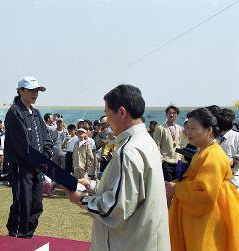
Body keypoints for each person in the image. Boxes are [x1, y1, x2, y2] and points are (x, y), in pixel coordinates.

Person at [63, 84, 170, 251]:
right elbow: (131, 189)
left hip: (129, 242)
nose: (105, 120)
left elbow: (117, 208)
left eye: (107, 113)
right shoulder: (146, 142)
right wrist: (92, 185)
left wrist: (80, 199)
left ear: (121, 112)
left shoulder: (129, 150)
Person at [166, 107, 239, 251]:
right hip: (201, 216)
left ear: (208, 130)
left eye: (193, 128)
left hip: (209, 217)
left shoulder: (213, 155)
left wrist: (173, 188)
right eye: (187, 128)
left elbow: (204, 194)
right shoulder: (203, 152)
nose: (188, 132)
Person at [4, 76, 53, 238]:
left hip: (38, 167)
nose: (35, 94)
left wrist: (45, 158)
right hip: (22, 167)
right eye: (31, 90)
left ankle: (28, 235)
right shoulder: (15, 112)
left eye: (37, 90)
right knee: (22, 204)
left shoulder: (37, 113)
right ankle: (16, 237)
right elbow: (22, 145)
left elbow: (46, 138)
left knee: (36, 204)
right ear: (20, 91)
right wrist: (38, 162)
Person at [153, 105, 182, 181]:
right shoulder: (160, 128)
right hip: (166, 161)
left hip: (177, 161)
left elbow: (180, 143)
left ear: (177, 115)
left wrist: (180, 158)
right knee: (167, 185)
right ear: (166, 114)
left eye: (174, 113)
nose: (171, 115)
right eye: (169, 113)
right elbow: (156, 145)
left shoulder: (179, 128)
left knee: (176, 185)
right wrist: (161, 159)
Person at [215, 108, 239, 188]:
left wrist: (233, 159)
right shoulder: (212, 137)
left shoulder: (237, 136)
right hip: (215, 180)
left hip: (232, 180)